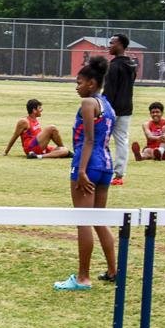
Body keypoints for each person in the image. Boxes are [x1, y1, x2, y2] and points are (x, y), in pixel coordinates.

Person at [54, 56, 117, 291]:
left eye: (79, 82)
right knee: (99, 219)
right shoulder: (106, 103)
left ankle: (82, 278)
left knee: (84, 222)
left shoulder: (88, 103)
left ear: (91, 83)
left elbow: (89, 139)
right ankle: (113, 271)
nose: (76, 86)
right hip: (106, 164)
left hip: (87, 164)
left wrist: (81, 170)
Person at [102, 33, 136, 186]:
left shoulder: (114, 66)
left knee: (102, 140)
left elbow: (109, 90)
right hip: (126, 108)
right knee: (122, 141)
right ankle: (119, 175)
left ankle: (102, 170)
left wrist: (102, 106)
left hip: (112, 109)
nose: (109, 45)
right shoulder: (131, 65)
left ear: (121, 45)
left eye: (112, 43)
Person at [3, 99, 72, 159]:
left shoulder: (35, 119)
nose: (41, 110)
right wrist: (6, 152)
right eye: (39, 108)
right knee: (52, 128)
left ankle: (38, 156)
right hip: (31, 147)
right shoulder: (24, 121)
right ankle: (61, 149)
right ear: (34, 110)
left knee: (65, 150)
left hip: (39, 147)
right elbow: (14, 136)